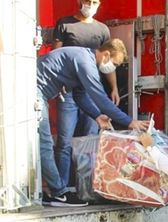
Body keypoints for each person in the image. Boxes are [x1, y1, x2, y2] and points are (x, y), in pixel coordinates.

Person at [37, 38, 148, 207]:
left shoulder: (85, 60)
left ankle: (56, 191)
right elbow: (100, 98)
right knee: (45, 144)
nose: (113, 68)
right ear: (106, 54)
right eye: (115, 64)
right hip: (34, 90)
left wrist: (97, 116)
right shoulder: (85, 62)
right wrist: (129, 122)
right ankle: (58, 193)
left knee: (44, 143)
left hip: (39, 92)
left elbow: (80, 96)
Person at [53, 0, 120, 187]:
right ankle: (62, 188)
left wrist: (113, 88)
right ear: (79, 1)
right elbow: (56, 55)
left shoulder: (102, 30)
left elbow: (108, 61)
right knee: (65, 141)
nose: (90, 5)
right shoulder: (64, 23)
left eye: (94, 2)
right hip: (68, 92)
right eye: (87, 1)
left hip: (91, 92)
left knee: (90, 141)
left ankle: (88, 187)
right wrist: (59, 82)